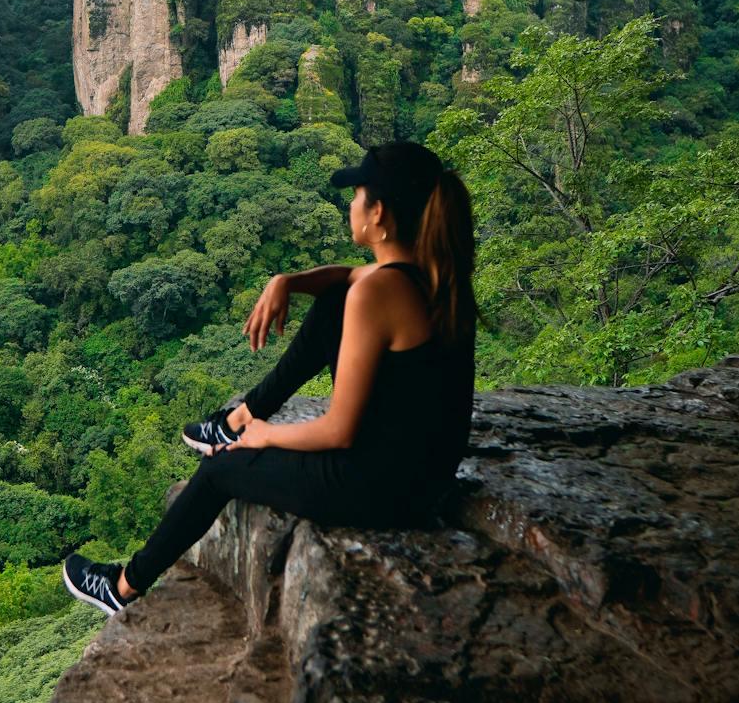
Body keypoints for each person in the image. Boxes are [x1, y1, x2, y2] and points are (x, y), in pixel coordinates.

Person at [62, 139, 478, 616]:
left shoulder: (379, 292)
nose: (351, 205)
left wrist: (264, 436)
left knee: (219, 471)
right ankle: (237, 419)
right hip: (424, 476)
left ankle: (122, 587)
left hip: (380, 488)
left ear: (378, 212)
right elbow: (347, 279)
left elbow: (339, 431)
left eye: (357, 194)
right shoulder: (433, 274)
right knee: (331, 303)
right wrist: (288, 281)